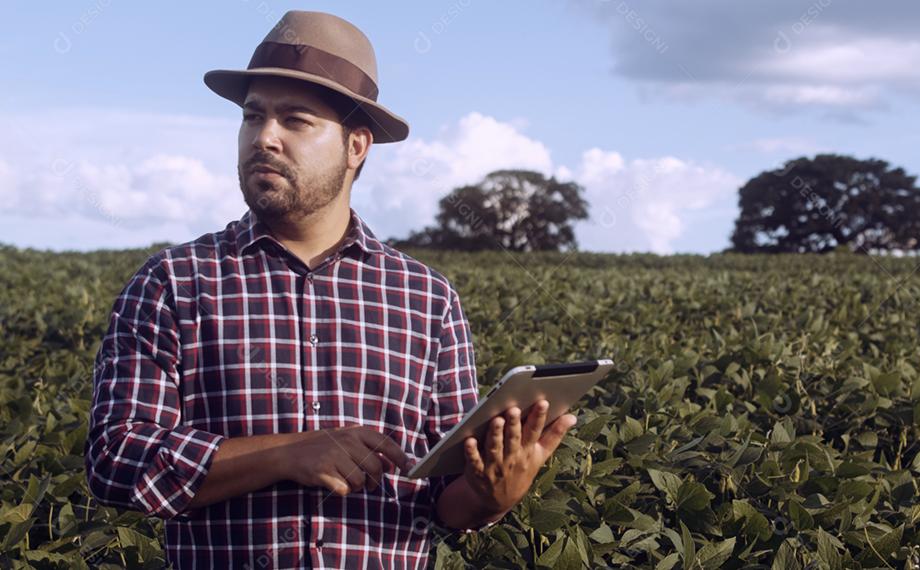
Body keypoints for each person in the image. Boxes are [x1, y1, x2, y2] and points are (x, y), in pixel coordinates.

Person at [83, 10, 577, 569]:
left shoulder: (427, 299)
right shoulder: (174, 282)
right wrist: (288, 453)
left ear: (356, 146)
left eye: (295, 121)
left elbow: (443, 499)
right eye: (252, 117)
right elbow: (115, 460)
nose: (264, 138)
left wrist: (493, 494)